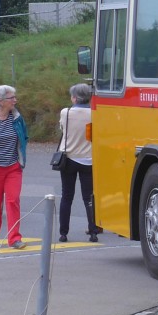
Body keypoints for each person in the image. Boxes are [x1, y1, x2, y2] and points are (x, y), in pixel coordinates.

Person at [0, 84, 29, 249]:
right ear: (1, 101)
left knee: (13, 200)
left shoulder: (17, 118)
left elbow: (25, 136)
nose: (15, 100)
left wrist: (21, 157)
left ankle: (14, 238)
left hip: (13, 167)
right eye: (11, 98)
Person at [57, 83, 97, 243]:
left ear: (74, 98)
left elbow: (62, 129)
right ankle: (93, 231)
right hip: (89, 158)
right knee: (88, 197)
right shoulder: (95, 114)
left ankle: (63, 233)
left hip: (69, 158)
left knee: (67, 196)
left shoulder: (65, 113)